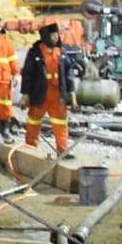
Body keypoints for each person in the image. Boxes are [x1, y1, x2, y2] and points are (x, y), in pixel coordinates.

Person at [20, 23, 80, 156]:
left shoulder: (61, 52)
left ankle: (63, 150)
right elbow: (27, 74)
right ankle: (30, 149)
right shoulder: (35, 52)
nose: (56, 37)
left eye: (56, 35)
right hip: (39, 94)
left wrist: (72, 96)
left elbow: (69, 75)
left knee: (61, 123)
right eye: (53, 35)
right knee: (34, 122)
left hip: (58, 96)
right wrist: (26, 95)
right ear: (45, 36)